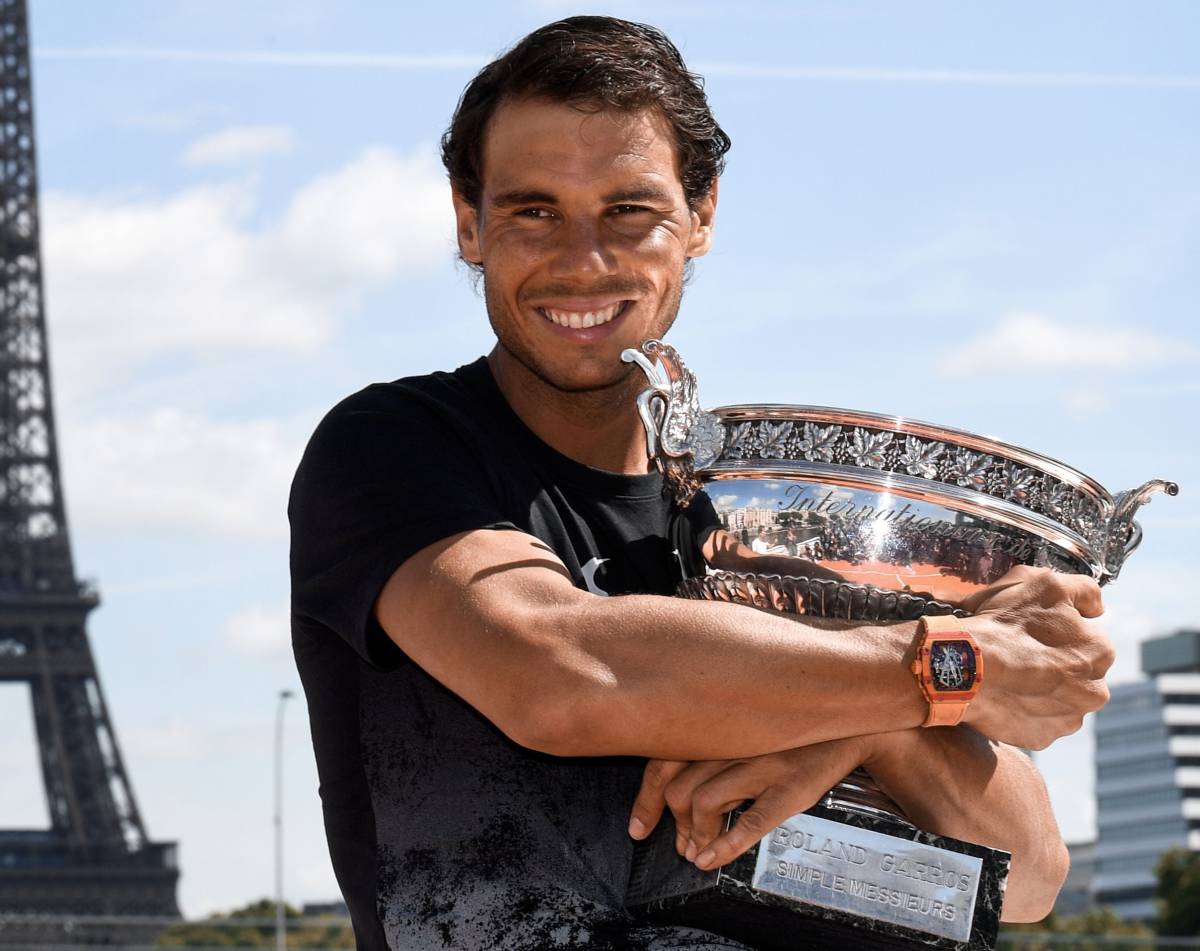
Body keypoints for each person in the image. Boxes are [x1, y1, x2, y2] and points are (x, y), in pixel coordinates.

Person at [289, 16, 1113, 950]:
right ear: (468, 222)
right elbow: (562, 675)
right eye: (533, 210)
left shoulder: (757, 519)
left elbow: (1032, 871)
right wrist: (933, 666)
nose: (583, 260)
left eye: (630, 212)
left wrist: (870, 720)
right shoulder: (395, 448)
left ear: (703, 214)